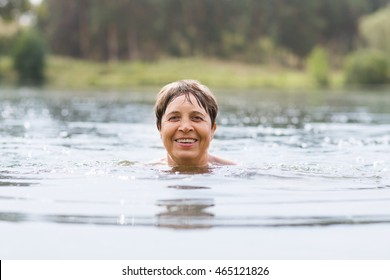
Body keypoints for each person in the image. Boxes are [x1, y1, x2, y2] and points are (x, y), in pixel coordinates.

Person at [154, 79, 235, 168]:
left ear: (212, 129)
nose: (185, 127)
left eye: (197, 118)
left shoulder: (237, 173)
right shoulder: (143, 174)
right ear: (160, 128)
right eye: (174, 118)